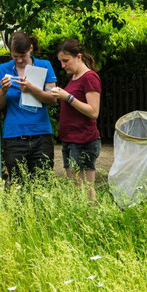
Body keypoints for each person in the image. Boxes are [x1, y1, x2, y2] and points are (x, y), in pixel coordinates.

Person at [0, 32, 58, 179]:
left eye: (23, 55)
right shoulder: (3, 69)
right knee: (18, 184)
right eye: (15, 56)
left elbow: (53, 100)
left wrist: (32, 89)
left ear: (31, 49)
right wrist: (3, 90)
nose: (19, 60)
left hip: (41, 134)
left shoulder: (44, 65)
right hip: (14, 136)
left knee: (43, 183)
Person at [49, 39, 101, 202]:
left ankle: (92, 222)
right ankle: (81, 223)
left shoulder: (90, 77)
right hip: (69, 140)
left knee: (85, 190)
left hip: (84, 139)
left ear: (78, 57)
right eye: (61, 62)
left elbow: (93, 112)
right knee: (76, 189)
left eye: (66, 61)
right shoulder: (74, 78)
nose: (63, 65)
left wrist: (68, 97)